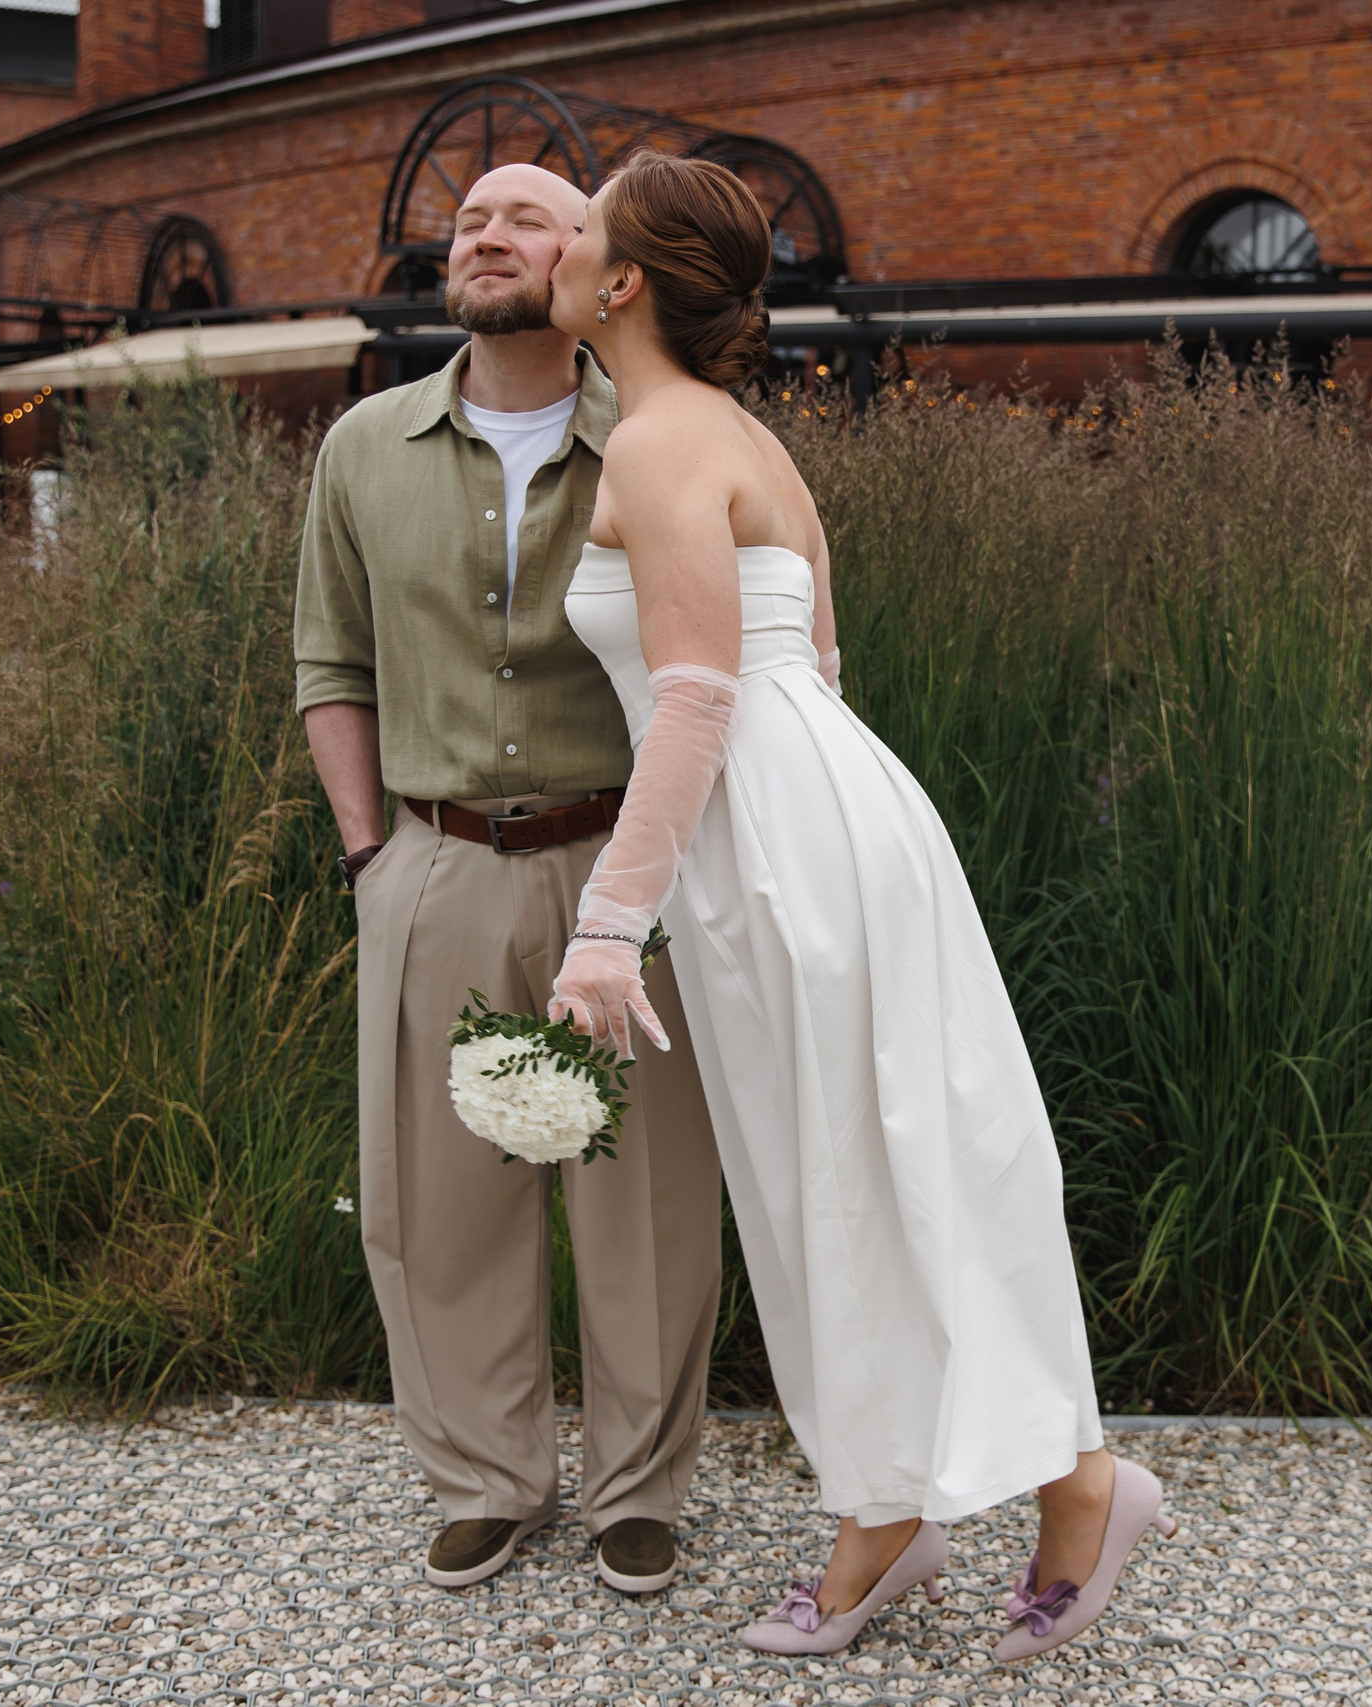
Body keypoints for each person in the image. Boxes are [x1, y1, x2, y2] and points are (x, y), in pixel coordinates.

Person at [541, 149, 1173, 1664]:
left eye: (581, 228)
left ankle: (1071, 1485)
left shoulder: (655, 445)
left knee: (857, 1172)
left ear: (621, 284)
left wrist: (609, 923)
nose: (557, 246)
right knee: (873, 1168)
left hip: (775, 834)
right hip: (828, 815)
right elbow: (811, 668)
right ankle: (886, 1513)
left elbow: (696, 691)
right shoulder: (738, 436)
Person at [294, 162, 724, 1600]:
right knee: (440, 1191)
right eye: (472, 217)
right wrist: (372, 855)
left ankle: (637, 1491)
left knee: (644, 1194)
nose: (486, 234)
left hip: (625, 869)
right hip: (432, 861)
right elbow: (330, 667)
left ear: (600, 265)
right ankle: (486, 1477)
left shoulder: (662, 437)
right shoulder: (363, 445)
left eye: (530, 217)